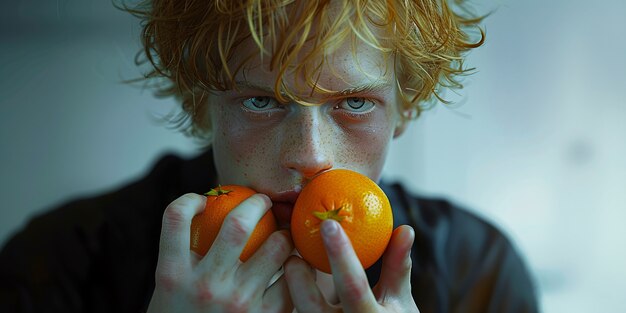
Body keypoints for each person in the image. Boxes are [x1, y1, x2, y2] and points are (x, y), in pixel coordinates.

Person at [0, 0, 539, 312]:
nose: (309, 156)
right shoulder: (62, 261)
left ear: (405, 109)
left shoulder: (478, 271)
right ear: (199, 104)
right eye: (260, 101)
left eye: (354, 103)